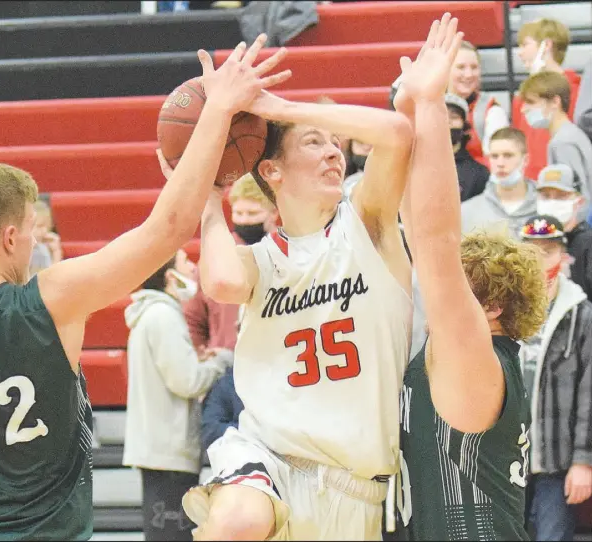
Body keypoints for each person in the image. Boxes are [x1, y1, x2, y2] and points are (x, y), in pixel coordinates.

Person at [0, 34, 291, 540]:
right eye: (31, 231)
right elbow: (164, 231)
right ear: (10, 236)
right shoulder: (53, 299)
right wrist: (217, 114)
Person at [182, 16, 422, 542]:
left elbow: (398, 133)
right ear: (272, 171)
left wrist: (282, 109)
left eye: (336, 143)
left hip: (357, 488)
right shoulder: (261, 260)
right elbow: (220, 283)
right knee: (238, 522)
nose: (335, 152)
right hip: (267, 460)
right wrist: (207, 192)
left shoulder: (368, 226)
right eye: (314, 143)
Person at [392, 14, 548, 540]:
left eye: (464, 285)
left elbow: (437, 241)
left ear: (492, 307)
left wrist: (434, 105)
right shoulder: (473, 355)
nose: (445, 290)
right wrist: (411, 116)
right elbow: (420, 227)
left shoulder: (474, 356)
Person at [123, 248, 232, 542]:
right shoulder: (163, 316)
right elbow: (187, 381)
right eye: (186, 261)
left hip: (159, 448)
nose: (193, 267)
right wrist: (221, 360)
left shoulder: (154, 314)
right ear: (170, 276)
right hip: (167, 449)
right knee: (172, 535)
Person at [518, 214, 592, 542]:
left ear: (563, 256)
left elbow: (589, 394)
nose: (539, 261)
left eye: (547, 251)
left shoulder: (581, 314)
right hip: (507, 459)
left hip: (556, 461)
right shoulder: (501, 309)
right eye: (531, 251)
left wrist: (583, 462)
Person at [184, 173, 278, 355]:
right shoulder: (217, 254)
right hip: (228, 361)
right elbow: (194, 316)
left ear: (274, 212)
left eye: (252, 213)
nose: (243, 220)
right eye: (238, 213)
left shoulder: (287, 250)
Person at [514, 17, 582, 181]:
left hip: (563, 182)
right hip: (529, 183)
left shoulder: (576, 91)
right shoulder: (521, 98)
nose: (519, 52)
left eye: (525, 45)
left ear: (547, 45)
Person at [519, 70, 592, 220]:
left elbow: (579, 195)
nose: (523, 109)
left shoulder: (563, 142)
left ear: (555, 102)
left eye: (531, 102)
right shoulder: (567, 136)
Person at [461, 127, 538, 238]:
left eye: (508, 155)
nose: (500, 163)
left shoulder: (547, 206)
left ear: (525, 160)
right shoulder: (467, 212)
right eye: (494, 156)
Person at [536, 164, 592, 302]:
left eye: (561, 196)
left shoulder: (588, 242)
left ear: (579, 201)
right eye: (546, 196)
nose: (552, 202)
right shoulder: (530, 240)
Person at [447, 40, 508, 164]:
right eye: (461, 67)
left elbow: (499, 163)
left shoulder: (492, 111)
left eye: (474, 67)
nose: (469, 74)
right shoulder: (429, 106)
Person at [444, 92, 489, 201]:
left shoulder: (479, 173)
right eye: (441, 116)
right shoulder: (414, 167)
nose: (447, 121)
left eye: (454, 117)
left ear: (464, 125)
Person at [29, 199, 62, 277]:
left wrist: (56, 251)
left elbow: (54, 277)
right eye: (40, 226)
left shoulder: (43, 247)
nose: (45, 231)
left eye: (47, 226)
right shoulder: (24, 251)